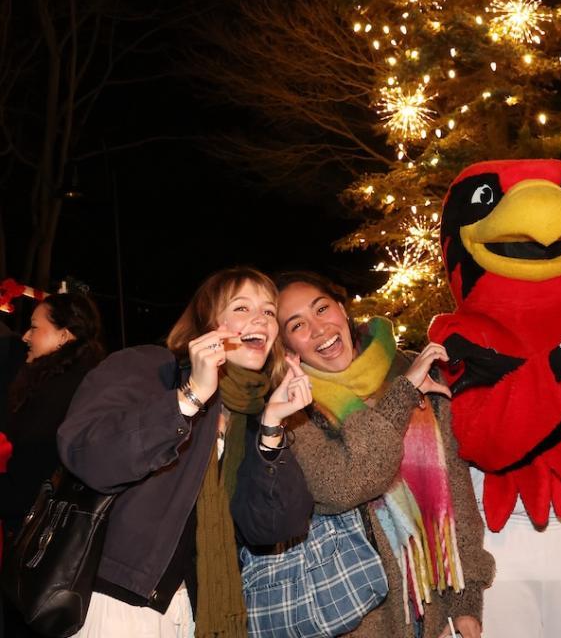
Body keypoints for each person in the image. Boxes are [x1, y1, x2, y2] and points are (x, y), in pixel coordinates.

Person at [57, 267, 314, 637]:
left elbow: (272, 528)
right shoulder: (146, 368)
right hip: (114, 602)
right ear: (208, 323)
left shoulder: (253, 411)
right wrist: (189, 397)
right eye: (242, 308)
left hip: (195, 608)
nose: (261, 318)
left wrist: (273, 427)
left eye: (269, 311)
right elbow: (87, 454)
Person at [275, 271, 493, 638]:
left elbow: (456, 490)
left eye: (322, 309)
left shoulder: (410, 369)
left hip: (431, 607)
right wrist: (403, 395)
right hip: (354, 616)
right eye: (297, 324)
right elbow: (343, 485)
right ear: (286, 347)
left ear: (343, 310)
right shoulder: (292, 407)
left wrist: (465, 597)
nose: (318, 329)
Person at [2, 294, 105, 638]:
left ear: (64, 335)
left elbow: (25, 486)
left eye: (35, 328)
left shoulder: (57, 395)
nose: (26, 337)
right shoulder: (83, 382)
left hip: (41, 554)